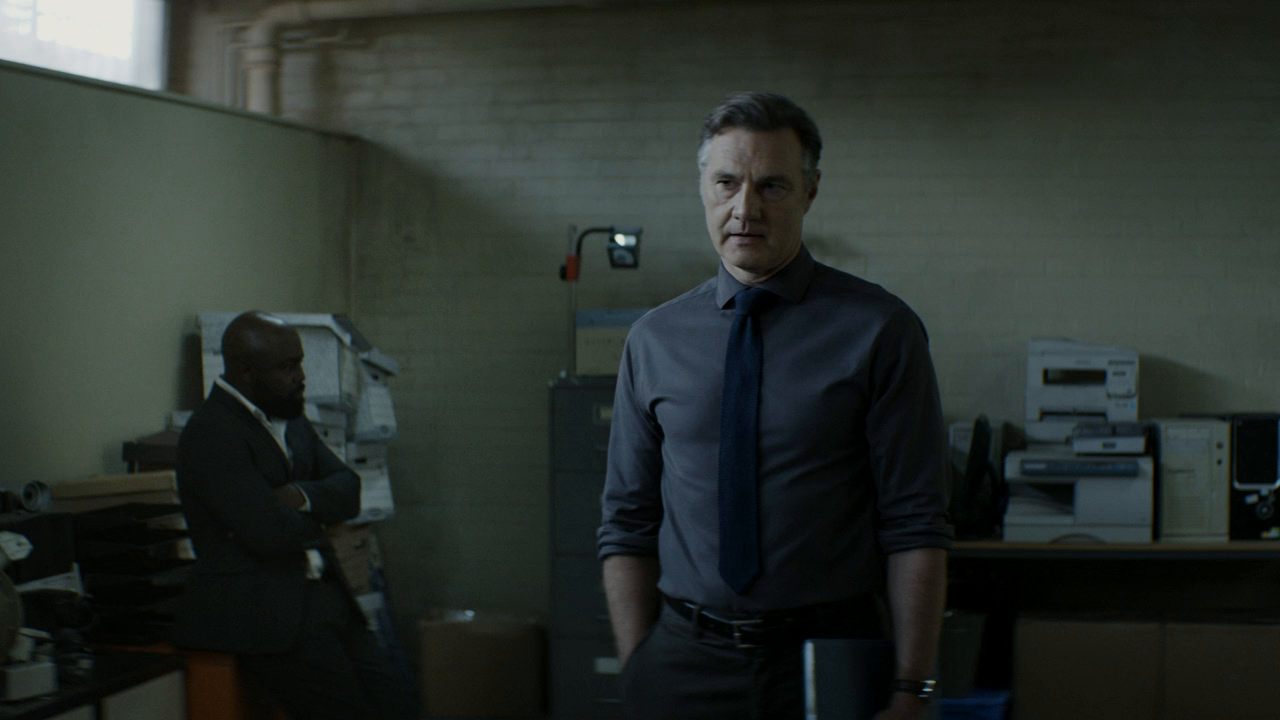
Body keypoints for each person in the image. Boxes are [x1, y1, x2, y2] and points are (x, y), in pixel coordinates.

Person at [597, 92, 953, 720]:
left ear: (810, 191)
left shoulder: (879, 330)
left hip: (830, 657)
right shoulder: (654, 340)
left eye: (772, 186)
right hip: (683, 662)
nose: (745, 209)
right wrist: (639, 666)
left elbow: (916, 524)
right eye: (726, 183)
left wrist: (911, 687)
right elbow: (627, 520)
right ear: (702, 188)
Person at [171, 311, 418, 720]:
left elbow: (350, 489)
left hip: (327, 598)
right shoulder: (211, 433)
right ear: (246, 371)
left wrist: (298, 496)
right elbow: (267, 531)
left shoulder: (291, 418)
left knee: (401, 705)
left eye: (299, 363)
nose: (300, 377)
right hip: (269, 615)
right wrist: (319, 515)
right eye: (286, 367)